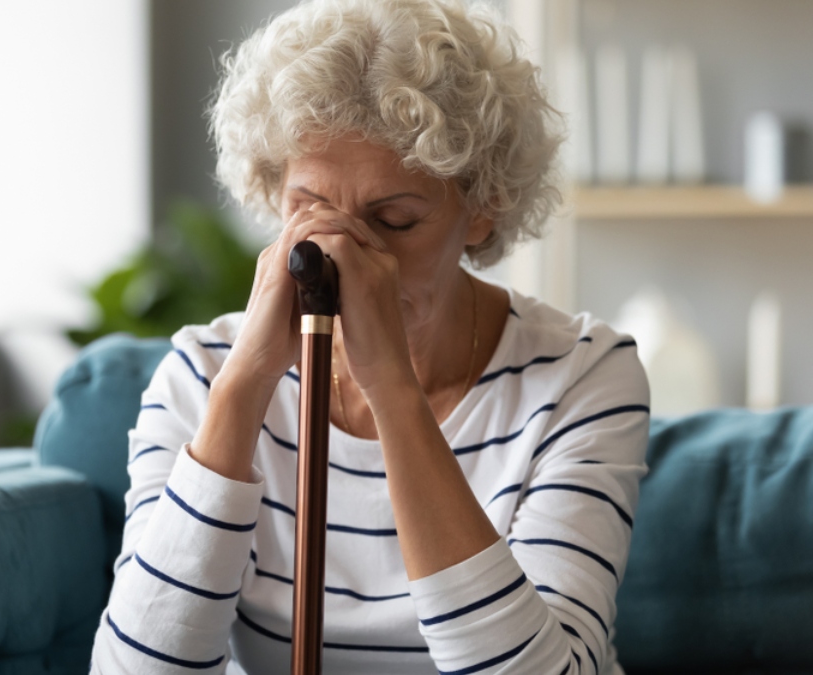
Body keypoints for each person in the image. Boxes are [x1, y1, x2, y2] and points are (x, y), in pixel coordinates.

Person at [92, 0, 649, 672]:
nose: (342, 254)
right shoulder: (203, 373)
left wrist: (393, 388)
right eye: (310, 208)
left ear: (481, 207)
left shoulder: (582, 375)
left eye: (394, 219)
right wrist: (244, 388)